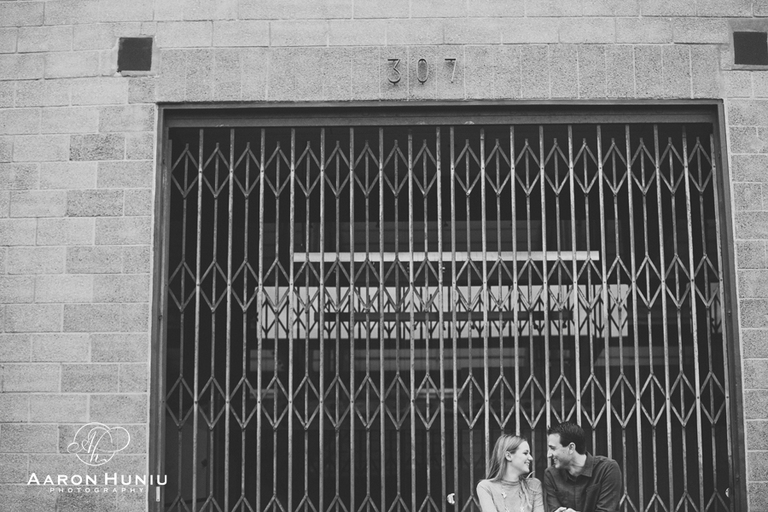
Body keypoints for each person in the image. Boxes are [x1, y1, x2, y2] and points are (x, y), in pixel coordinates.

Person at [542, 422, 621, 512]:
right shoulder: (551, 475)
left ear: (571, 448)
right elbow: (554, 509)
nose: (548, 455)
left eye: (552, 448)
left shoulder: (607, 469)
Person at [476, 434, 545, 512]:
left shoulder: (534, 486)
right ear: (508, 456)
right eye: (525, 453)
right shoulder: (486, 487)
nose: (531, 458)